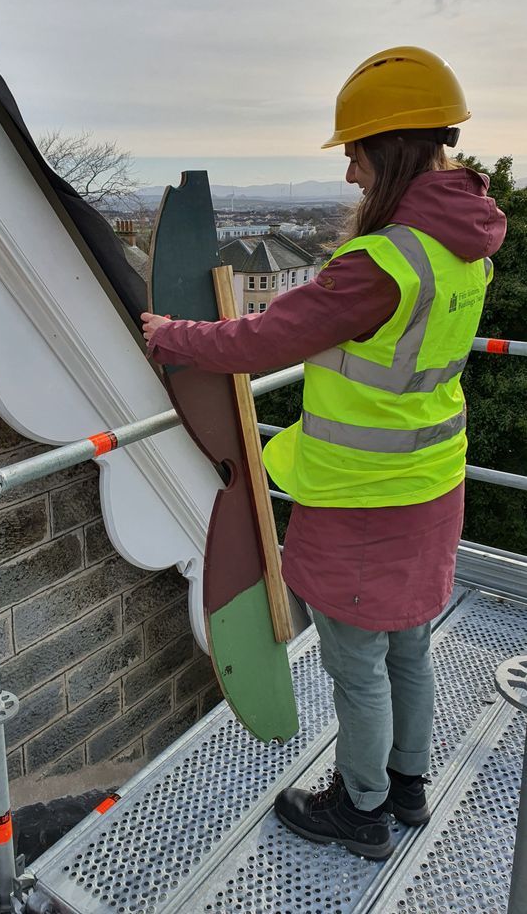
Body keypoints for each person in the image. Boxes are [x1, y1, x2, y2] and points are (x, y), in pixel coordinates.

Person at [141, 46, 506, 861]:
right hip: (429, 476)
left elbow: (268, 337)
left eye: (355, 149)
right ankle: (406, 785)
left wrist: (174, 334)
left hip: (365, 494)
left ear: (393, 147)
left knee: (356, 664)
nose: (348, 170)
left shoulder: (382, 262)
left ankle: (362, 809)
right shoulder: (464, 240)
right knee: (407, 644)